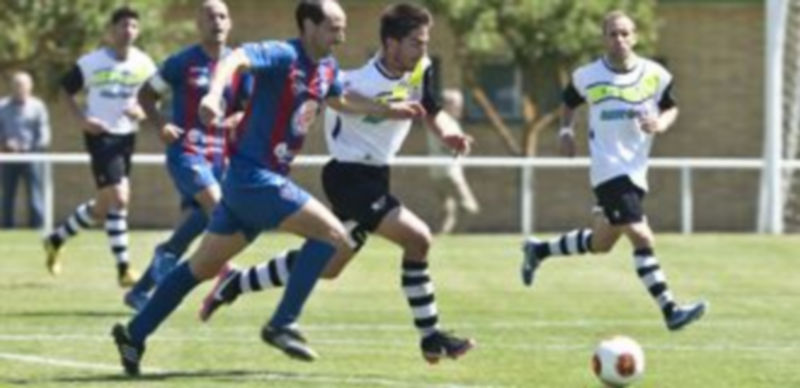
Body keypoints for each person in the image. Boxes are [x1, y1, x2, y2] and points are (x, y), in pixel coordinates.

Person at [111, 0, 423, 376]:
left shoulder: (326, 67)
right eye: (333, 28)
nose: (341, 36)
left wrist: (389, 110)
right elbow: (236, 59)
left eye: (341, 29)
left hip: (251, 184)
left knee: (199, 267)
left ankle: (134, 333)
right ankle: (282, 323)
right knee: (333, 236)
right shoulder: (282, 53)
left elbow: (340, 99)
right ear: (308, 26)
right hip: (255, 177)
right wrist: (213, 94)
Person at [198, 3, 476, 364]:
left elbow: (433, 112)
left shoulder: (420, 70)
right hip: (348, 177)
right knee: (418, 237)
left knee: (328, 266)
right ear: (390, 43)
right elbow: (340, 102)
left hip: (375, 175)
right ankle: (431, 337)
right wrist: (383, 109)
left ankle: (236, 283)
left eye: (425, 43)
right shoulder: (354, 81)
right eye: (415, 43)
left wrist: (451, 135)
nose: (422, 51)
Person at [519, 11, 707, 331]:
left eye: (624, 33)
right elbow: (568, 104)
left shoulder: (655, 74)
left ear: (634, 37)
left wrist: (659, 123)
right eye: (612, 34)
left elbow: (671, 106)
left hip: (636, 169)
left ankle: (538, 250)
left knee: (602, 242)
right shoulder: (587, 76)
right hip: (608, 168)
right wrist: (565, 133)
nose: (618, 39)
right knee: (641, 234)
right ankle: (670, 310)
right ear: (603, 38)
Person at [123, 0, 250, 311]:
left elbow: (248, 106)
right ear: (198, 24)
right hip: (187, 151)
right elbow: (145, 94)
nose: (217, 22)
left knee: (205, 218)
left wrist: (237, 120)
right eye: (210, 16)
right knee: (219, 207)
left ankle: (149, 278)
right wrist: (161, 123)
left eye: (222, 16)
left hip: (221, 156)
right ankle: (225, 271)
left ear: (230, 23)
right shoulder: (182, 62)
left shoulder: (238, 66)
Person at [43, 7, 157, 287]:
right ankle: (124, 270)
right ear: (111, 31)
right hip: (101, 135)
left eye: (132, 25)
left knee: (104, 205)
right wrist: (82, 120)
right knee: (120, 197)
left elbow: (154, 97)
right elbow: (64, 90)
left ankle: (55, 239)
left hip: (127, 137)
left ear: (137, 31)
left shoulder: (144, 64)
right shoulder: (92, 62)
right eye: (122, 25)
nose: (127, 30)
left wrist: (142, 112)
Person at [425, 89, 479, 234]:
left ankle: (441, 239)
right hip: (449, 172)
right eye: (456, 103)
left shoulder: (443, 119)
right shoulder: (442, 119)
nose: (460, 107)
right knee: (470, 207)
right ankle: (460, 236)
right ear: (446, 104)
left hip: (438, 172)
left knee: (448, 211)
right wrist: (462, 142)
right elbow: (447, 141)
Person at [0, 71, 50, 228]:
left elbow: (44, 134)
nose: (19, 89)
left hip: (32, 157)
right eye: (16, 85)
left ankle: (38, 228)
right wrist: (5, 144)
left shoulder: (38, 106)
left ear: (30, 87)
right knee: (7, 194)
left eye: (22, 85)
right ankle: (6, 228)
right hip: (8, 158)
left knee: (35, 195)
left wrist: (30, 148)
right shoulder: (2, 107)